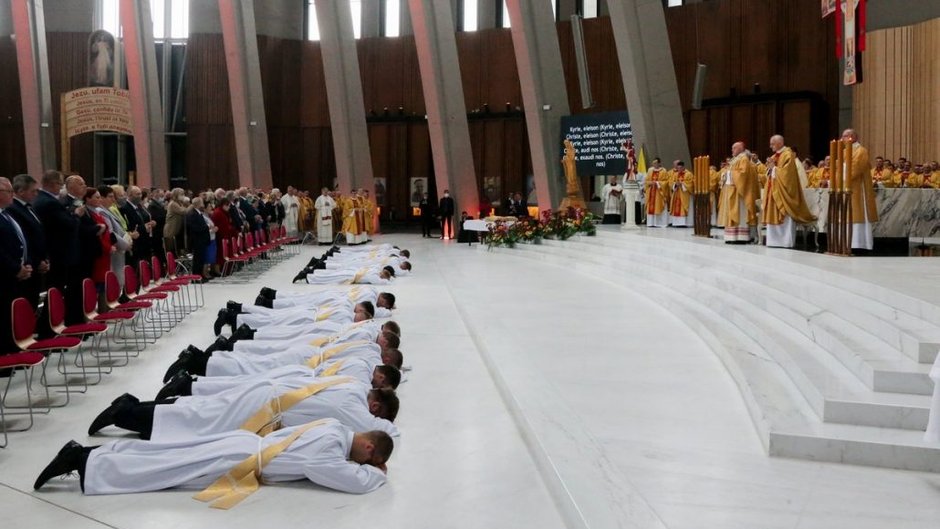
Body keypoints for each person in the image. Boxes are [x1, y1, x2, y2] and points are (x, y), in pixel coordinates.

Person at [34, 419, 392, 497]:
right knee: (164, 470)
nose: (360, 464)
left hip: (244, 444)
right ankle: (84, 461)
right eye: (366, 461)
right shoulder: (331, 452)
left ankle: (97, 453)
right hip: (240, 461)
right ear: (370, 450)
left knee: (169, 454)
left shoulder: (332, 426)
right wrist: (378, 475)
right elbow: (346, 481)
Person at [87, 376, 399, 440]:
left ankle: (131, 406)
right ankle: (124, 413)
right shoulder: (355, 406)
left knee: (202, 411)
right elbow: (388, 432)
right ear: (375, 406)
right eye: (376, 414)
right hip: (263, 407)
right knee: (198, 421)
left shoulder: (353, 386)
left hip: (269, 397)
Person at [762, 135, 815, 248]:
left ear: (780, 143)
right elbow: (769, 172)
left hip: (784, 192)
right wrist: (770, 167)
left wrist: (774, 168)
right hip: (773, 191)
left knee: (784, 215)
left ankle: (785, 242)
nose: (770, 146)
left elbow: (788, 175)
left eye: (773, 144)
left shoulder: (787, 154)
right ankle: (773, 241)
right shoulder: (774, 156)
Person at [7, 174, 48, 309]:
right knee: (26, 305)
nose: (36, 194)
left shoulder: (29, 208)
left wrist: (45, 259)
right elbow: (25, 239)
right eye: (33, 191)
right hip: (26, 265)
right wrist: (36, 262)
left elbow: (39, 234)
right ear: (20, 191)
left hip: (35, 264)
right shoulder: (14, 209)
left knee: (33, 302)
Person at [0, 177, 31, 352]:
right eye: (9, 191)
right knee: (4, 316)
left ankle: (13, 349)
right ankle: (5, 357)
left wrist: (26, 264)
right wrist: (16, 268)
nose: (12, 194)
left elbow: (21, 242)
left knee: (12, 316)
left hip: (16, 273)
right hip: (5, 274)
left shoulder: (7, 214)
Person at [842, 129, 879, 252]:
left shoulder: (861, 151)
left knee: (857, 212)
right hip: (845, 187)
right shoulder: (843, 152)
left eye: (845, 136)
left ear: (852, 137)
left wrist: (841, 172)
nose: (842, 139)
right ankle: (846, 242)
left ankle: (859, 243)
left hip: (858, 189)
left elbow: (855, 168)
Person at [718, 142, 759, 244]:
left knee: (739, 213)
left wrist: (729, 173)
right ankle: (732, 237)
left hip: (739, 193)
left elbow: (743, 174)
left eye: (734, 148)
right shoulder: (735, 160)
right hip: (732, 191)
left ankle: (740, 236)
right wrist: (725, 174)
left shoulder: (743, 159)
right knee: (732, 213)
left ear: (740, 149)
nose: (732, 150)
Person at [95, 186, 132, 289]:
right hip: (114, 248)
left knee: (117, 281)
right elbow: (111, 232)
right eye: (110, 197)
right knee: (113, 282)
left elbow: (119, 228)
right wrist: (125, 244)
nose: (113, 199)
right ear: (101, 198)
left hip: (118, 249)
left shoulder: (107, 210)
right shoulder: (101, 211)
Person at [83, 188, 113, 299]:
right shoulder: (89, 213)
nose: (100, 199)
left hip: (105, 252)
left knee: (104, 282)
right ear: (87, 198)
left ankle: (104, 308)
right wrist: (108, 247)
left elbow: (107, 232)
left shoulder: (96, 212)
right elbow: (99, 235)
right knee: (98, 283)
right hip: (100, 252)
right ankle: (99, 311)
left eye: (100, 197)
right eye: (97, 197)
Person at [185, 197, 211, 282]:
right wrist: (207, 226)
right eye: (202, 202)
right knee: (197, 260)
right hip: (197, 240)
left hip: (201, 240)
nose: (203, 204)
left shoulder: (198, 213)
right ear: (198, 204)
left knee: (201, 259)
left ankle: (200, 276)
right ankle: (196, 278)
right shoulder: (192, 214)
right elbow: (195, 228)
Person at [210, 197, 237, 272]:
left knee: (224, 254)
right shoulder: (218, 213)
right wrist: (225, 238)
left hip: (225, 236)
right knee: (220, 255)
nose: (229, 207)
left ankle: (226, 269)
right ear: (223, 205)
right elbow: (221, 227)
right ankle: (219, 270)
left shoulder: (223, 212)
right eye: (227, 205)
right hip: (221, 238)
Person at [644, 158, 670, 227]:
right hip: (651, 192)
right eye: (653, 163)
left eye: (655, 163)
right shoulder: (650, 170)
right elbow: (646, 181)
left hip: (659, 193)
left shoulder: (663, 171)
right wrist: (650, 183)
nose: (654, 165)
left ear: (659, 163)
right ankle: (651, 223)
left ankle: (660, 223)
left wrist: (658, 183)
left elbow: (666, 182)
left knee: (659, 205)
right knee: (651, 207)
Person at [668, 161, 693, 227]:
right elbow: (671, 182)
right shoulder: (675, 174)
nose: (679, 170)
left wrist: (682, 184)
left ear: (683, 167)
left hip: (684, 194)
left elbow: (690, 184)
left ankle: (684, 223)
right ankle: (676, 223)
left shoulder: (688, 174)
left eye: (680, 168)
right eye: (678, 168)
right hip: (677, 193)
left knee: (683, 207)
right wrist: (675, 184)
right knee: (676, 207)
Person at [163, 188, 186, 256]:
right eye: (181, 194)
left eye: (183, 194)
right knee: (172, 252)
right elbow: (183, 211)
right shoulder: (173, 204)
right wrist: (192, 205)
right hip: (170, 231)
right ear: (176, 195)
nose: (183, 196)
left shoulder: (179, 203)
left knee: (177, 251)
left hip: (176, 231)